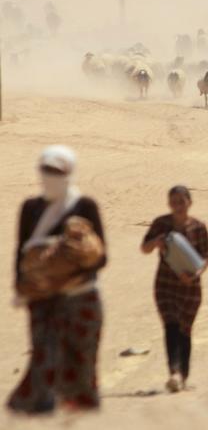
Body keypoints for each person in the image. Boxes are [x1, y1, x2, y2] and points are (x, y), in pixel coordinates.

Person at [9, 146, 106, 414]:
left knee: (82, 361)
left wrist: (68, 274)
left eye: (58, 171)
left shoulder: (85, 207)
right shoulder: (31, 208)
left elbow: (101, 257)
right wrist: (21, 285)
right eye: (47, 170)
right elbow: (21, 251)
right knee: (44, 355)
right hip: (42, 298)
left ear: (70, 172)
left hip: (81, 295)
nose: (51, 176)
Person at [141, 186, 208, 393]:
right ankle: (174, 373)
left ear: (189, 202)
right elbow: (144, 248)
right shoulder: (161, 224)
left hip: (191, 288)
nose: (178, 206)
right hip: (165, 285)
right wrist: (156, 242)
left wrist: (194, 276)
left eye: (181, 201)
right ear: (168, 204)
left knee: (185, 330)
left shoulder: (199, 227)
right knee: (170, 325)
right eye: (174, 202)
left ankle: (184, 376)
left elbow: (206, 257)